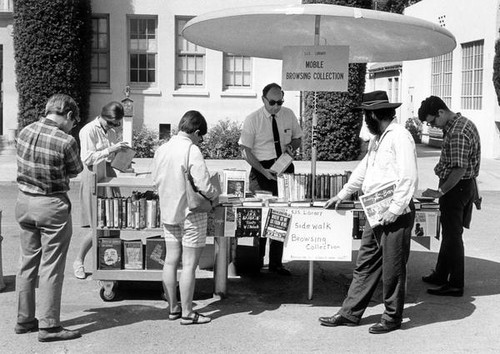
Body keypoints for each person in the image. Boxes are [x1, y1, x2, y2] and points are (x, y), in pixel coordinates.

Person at [318, 91, 418, 334]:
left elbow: (408, 176)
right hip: (375, 210)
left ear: (373, 114)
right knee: (365, 264)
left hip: (395, 212)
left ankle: (392, 317)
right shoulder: (378, 139)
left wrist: (394, 210)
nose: (364, 120)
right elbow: (363, 171)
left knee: (393, 268)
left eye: (365, 114)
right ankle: (350, 313)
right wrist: (342, 194)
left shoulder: (400, 137)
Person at [15, 94, 84, 342]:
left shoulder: (23, 132)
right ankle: (49, 325)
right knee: (51, 266)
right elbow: (76, 169)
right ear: (67, 115)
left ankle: (24, 319)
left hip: (24, 201)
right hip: (51, 203)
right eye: (73, 121)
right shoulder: (65, 140)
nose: (72, 125)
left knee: (27, 263)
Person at [151, 110, 220, 325]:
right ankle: (188, 312)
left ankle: (173, 308)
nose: (201, 141)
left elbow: (154, 180)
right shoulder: (192, 150)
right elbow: (205, 185)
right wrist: (215, 196)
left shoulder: (161, 149)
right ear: (197, 132)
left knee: (170, 262)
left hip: (169, 211)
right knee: (189, 265)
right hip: (192, 213)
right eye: (202, 137)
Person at [418, 96, 481, 297]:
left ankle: (455, 284)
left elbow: (460, 169)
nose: (432, 126)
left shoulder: (457, 133)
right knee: (449, 233)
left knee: (453, 237)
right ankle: (441, 274)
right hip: (463, 187)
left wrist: (440, 191)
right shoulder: (462, 124)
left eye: (432, 121)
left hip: (457, 188)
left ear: (441, 112)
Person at [239, 82, 303, 275]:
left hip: (284, 167)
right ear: (263, 99)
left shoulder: (288, 114)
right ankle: (257, 262)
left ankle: (276, 263)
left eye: (280, 102)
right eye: (272, 102)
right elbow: (245, 151)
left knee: (280, 216)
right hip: (261, 170)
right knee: (260, 217)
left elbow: (298, 137)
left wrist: (292, 148)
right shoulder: (253, 119)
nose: (276, 106)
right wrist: (263, 170)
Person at [73, 102, 129, 279]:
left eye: (117, 124)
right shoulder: (88, 130)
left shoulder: (111, 131)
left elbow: (110, 156)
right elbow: (87, 158)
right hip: (93, 176)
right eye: (111, 123)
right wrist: (112, 149)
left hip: (108, 174)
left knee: (114, 222)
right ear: (103, 117)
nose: (114, 127)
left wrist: (124, 159)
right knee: (96, 225)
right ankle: (79, 261)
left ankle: (110, 261)